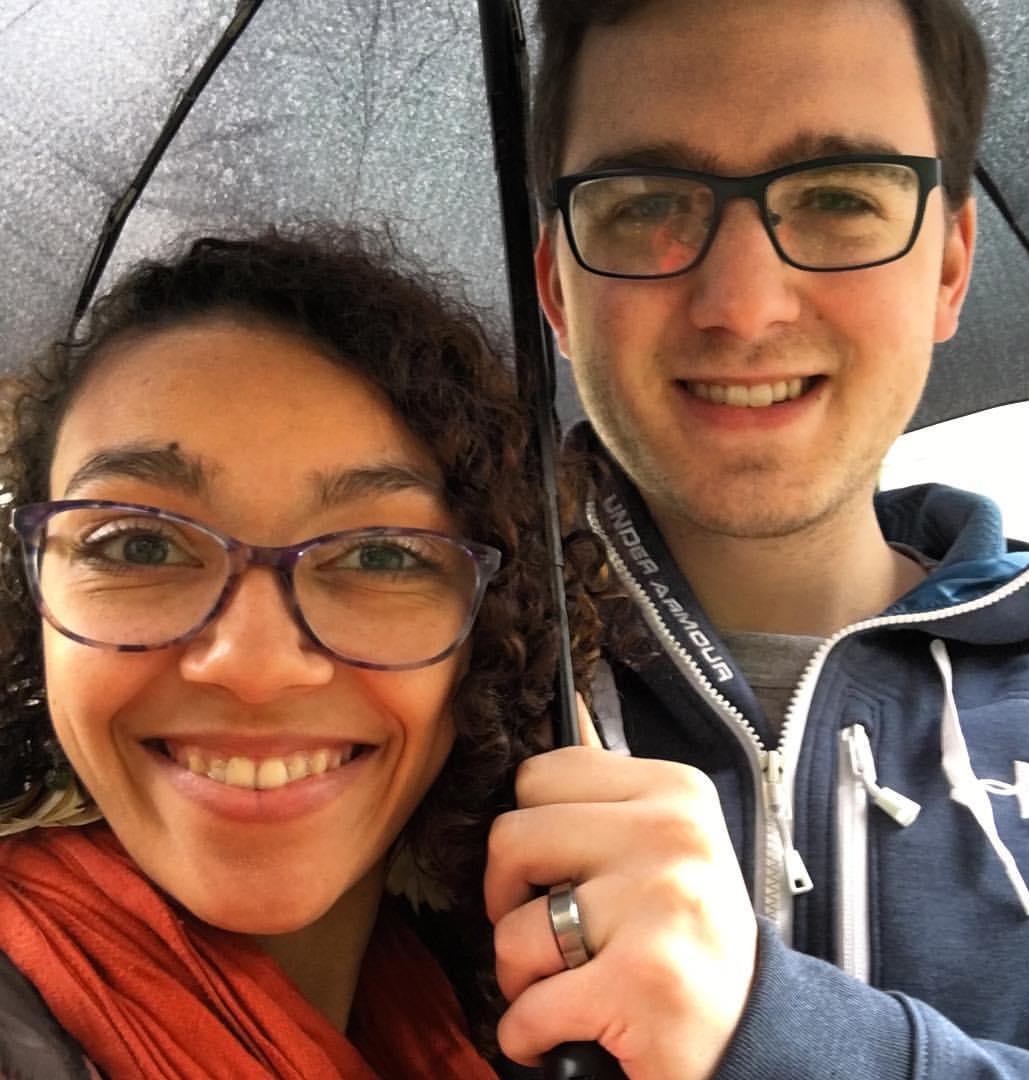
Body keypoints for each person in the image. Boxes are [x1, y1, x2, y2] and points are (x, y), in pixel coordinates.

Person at [483, 1, 1029, 1078]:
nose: (744, 307)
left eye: (839, 197)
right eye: (646, 203)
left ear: (948, 264)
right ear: (555, 292)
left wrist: (777, 1031)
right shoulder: (413, 704)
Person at [0, 226, 601, 1079]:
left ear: (491, 634)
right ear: (34, 605)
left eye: (380, 555)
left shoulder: (510, 1025)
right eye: (137, 546)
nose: (254, 666)